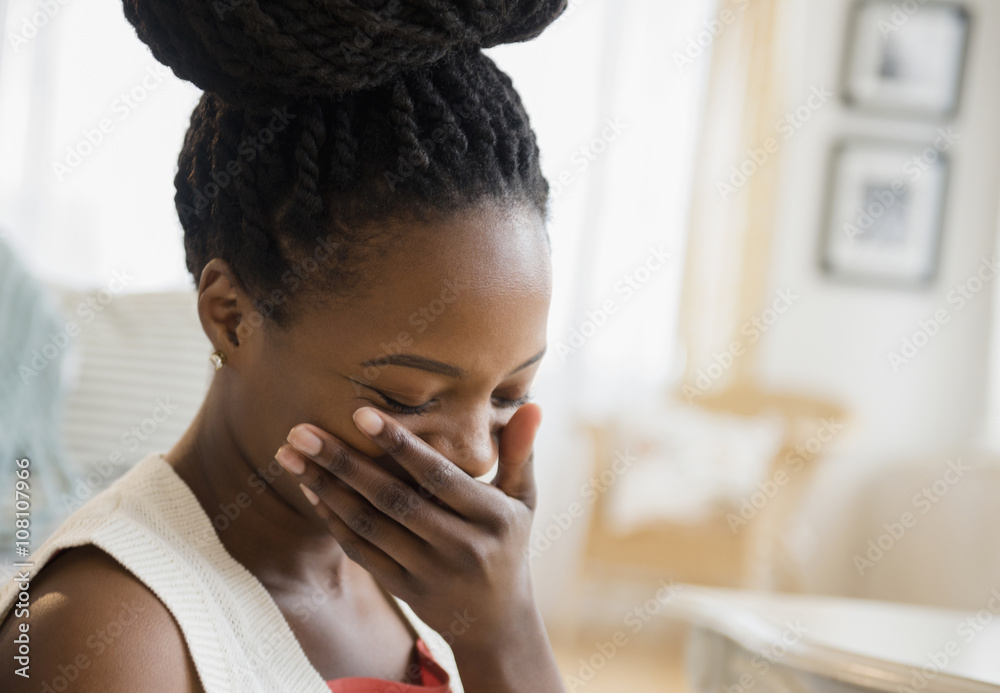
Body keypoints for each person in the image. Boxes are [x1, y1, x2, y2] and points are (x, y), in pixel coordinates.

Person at [0, 1, 570, 691]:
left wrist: (505, 633)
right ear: (231, 317)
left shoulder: (435, 581)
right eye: (408, 397)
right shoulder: (106, 635)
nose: (479, 456)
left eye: (510, 393)